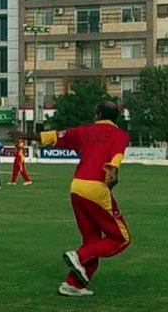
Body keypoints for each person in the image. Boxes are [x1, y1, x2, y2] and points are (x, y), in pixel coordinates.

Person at [13, 101, 131, 298]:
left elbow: (56, 137)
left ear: (97, 115)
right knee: (121, 238)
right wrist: (113, 171)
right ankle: (78, 255)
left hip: (77, 188)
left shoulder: (85, 131)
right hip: (96, 188)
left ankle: (72, 285)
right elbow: (117, 156)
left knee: (92, 241)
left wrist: (26, 135)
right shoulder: (120, 135)